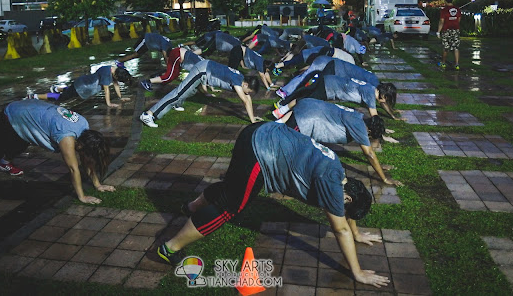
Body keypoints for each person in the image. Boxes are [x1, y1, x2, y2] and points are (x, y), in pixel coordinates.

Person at [156, 122, 391, 289]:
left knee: (233, 189)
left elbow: (344, 217)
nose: (340, 214)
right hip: (259, 150)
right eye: (345, 209)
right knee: (230, 208)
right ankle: (168, 248)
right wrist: (357, 273)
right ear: (347, 198)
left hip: (260, 131)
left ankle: (192, 207)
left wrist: (357, 234)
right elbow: (340, 229)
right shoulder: (331, 185)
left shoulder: (340, 175)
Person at [0, 99, 115, 210]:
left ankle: (5, 161)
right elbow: (74, 169)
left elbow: (87, 159)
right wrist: (82, 197)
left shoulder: (84, 127)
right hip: (13, 115)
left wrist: (98, 185)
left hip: (29, 112)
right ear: (80, 145)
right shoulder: (67, 137)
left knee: (24, 139)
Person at [275, 99, 402, 186]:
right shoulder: (360, 126)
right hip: (305, 117)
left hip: (306, 103)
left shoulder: (360, 116)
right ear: (368, 130)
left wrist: (380, 165)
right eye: (370, 136)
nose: (367, 138)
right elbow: (369, 154)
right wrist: (384, 178)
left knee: (276, 130)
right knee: (283, 146)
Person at [139, 59, 262, 128]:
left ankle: (176, 104)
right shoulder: (237, 81)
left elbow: (247, 98)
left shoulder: (241, 78)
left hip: (204, 68)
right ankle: (149, 114)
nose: (248, 93)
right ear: (246, 85)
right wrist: (252, 121)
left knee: (189, 91)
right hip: (201, 70)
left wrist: (252, 119)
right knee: (178, 93)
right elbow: (245, 101)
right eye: (249, 91)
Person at [272, 73, 400, 121]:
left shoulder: (371, 88)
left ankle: (281, 112)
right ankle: (280, 113)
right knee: (306, 101)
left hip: (329, 81)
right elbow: (375, 118)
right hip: (329, 86)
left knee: (306, 97)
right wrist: (382, 133)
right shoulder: (371, 95)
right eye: (387, 99)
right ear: (383, 95)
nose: (385, 102)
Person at [28, 64, 132, 108]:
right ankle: (35, 96)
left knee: (70, 90)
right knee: (62, 97)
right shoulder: (106, 74)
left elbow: (116, 84)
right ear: (117, 75)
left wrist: (120, 97)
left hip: (82, 82)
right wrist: (109, 103)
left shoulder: (112, 69)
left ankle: (56, 88)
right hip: (82, 87)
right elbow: (106, 90)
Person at [277, 56, 380, 100]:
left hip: (327, 62)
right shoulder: (372, 81)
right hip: (327, 63)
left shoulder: (366, 75)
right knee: (308, 79)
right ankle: (286, 92)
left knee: (308, 77)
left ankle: (290, 93)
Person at [437, 2, 461, 70]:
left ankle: (443, 62)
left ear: (446, 1)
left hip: (446, 30)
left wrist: (438, 31)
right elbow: (459, 19)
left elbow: (442, 21)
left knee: (445, 47)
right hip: (456, 30)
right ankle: (457, 64)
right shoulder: (457, 9)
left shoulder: (444, 10)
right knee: (456, 47)